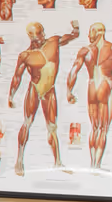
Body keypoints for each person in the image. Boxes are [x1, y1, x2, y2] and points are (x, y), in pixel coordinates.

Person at [8, 20, 82, 174]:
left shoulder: (53, 42)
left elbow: (72, 36)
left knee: (52, 127)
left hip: (49, 90)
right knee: (27, 122)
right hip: (35, 89)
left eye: (42, 33)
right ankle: (19, 160)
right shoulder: (26, 55)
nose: (42, 36)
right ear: (31, 36)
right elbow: (17, 77)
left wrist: (76, 28)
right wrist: (11, 96)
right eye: (38, 35)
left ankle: (58, 162)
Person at [67, 21, 112, 169]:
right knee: (103, 129)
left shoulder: (85, 50)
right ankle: (97, 165)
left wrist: (69, 91)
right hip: (106, 83)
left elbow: (73, 71)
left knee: (94, 127)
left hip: (92, 85)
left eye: (90, 32)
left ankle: (92, 162)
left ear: (98, 32)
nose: (88, 35)